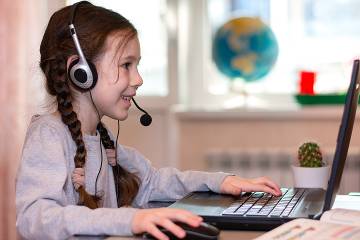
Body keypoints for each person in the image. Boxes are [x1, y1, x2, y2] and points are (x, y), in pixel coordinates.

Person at [15, 2, 282, 240]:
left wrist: (220, 183)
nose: (138, 79)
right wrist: (130, 219)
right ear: (81, 72)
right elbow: (34, 218)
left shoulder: (101, 137)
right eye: (126, 65)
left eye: (137, 66)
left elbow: (153, 182)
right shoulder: (49, 134)